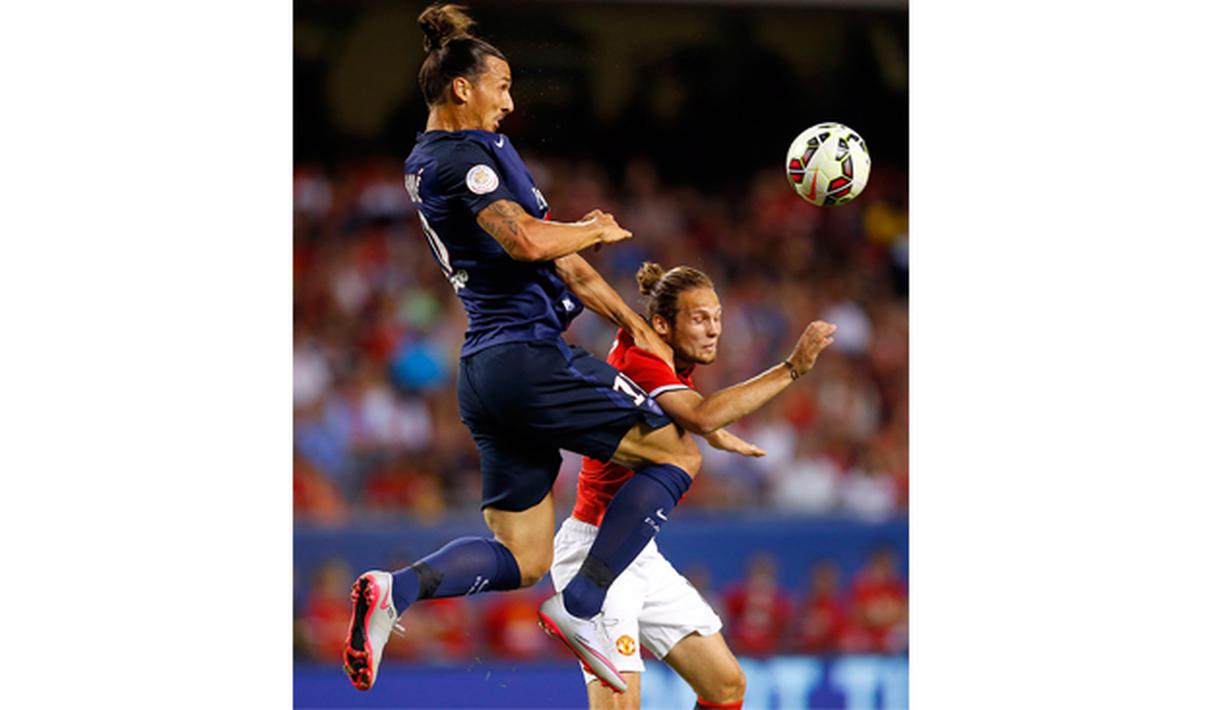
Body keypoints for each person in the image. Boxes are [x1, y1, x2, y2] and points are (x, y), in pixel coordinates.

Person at [344, 4, 709, 693]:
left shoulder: (452, 157)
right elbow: (530, 242)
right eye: (501, 86)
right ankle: (583, 607)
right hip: (525, 356)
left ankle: (397, 589)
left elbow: (556, 261)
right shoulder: (460, 157)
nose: (510, 102)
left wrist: (628, 321)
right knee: (677, 451)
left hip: (486, 371)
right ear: (461, 87)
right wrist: (591, 226)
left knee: (524, 553)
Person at [550, 262, 837, 710]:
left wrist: (709, 429)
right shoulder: (642, 357)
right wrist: (791, 369)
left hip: (635, 552)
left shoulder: (669, 357)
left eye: (717, 317)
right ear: (663, 324)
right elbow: (700, 414)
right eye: (700, 318)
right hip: (596, 553)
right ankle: (579, 605)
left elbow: (681, 416)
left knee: (725, 686)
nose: (714, 330)